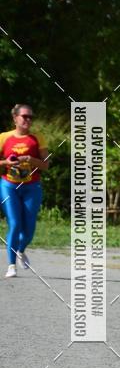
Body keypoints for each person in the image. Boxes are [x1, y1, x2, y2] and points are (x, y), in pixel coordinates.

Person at [0, 104, 49, 278]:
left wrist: (31, 159)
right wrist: (7, 163)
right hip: (9, 186)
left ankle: (21, 250)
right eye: (24, 116)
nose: (28, 120)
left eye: (30, 117)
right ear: (15, 118)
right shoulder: (3, 137)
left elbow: (46, 164)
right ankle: (11, 265)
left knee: (29, 228)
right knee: (14, 224)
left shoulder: (37, 138)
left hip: (31, 187)